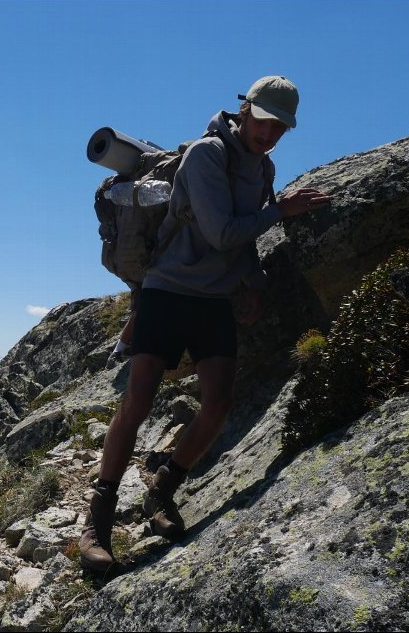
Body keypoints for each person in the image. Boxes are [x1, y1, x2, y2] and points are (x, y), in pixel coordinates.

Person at [80, 76, 331, 572]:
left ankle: (162, 491)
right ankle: (97, 524)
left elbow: (243, 239)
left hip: (214, 297)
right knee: (138, 402)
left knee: (217, 406)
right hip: (168, 290)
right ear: (246, 111)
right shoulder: (205, 155)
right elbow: (220, 233)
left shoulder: (264, 166)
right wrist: (282, 211)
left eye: (281, 127)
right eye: (265, 121)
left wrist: (255, 282)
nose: (271, 133)